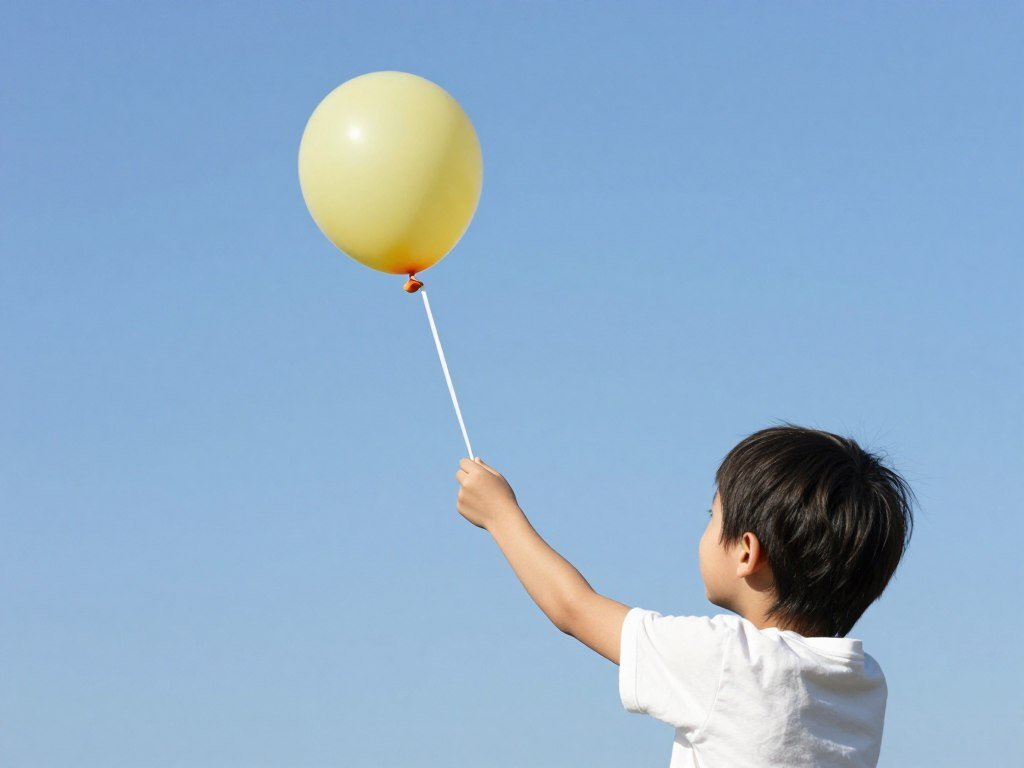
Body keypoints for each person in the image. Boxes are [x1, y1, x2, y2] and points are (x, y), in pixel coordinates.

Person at [454, 424, 914, 767]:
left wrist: (501, 514)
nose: (706, 530)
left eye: (712, 516)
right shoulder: (865, 683)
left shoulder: (729, 660)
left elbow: (574, 608)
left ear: (747, 552)